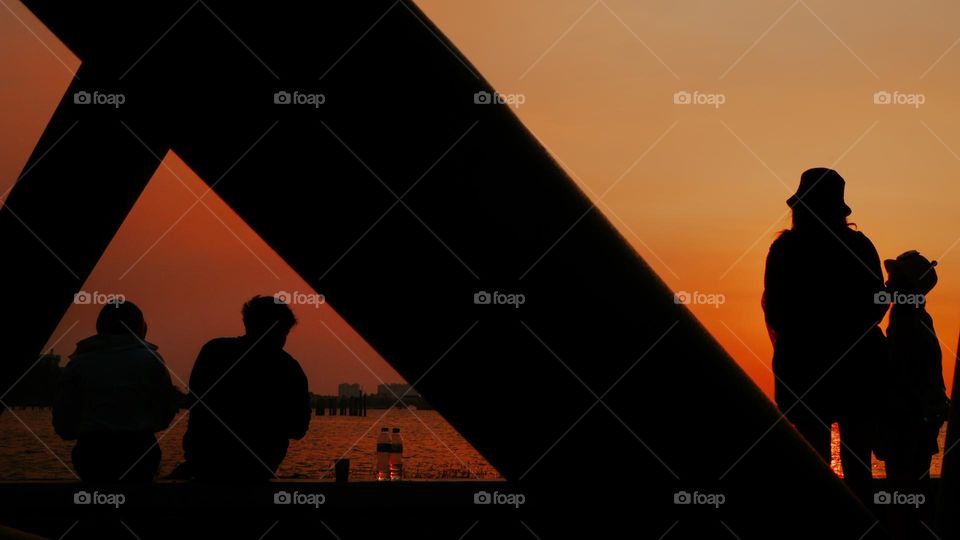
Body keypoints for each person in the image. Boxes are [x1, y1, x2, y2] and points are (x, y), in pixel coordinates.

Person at [762, 168, 888, 503]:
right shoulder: (858, 246)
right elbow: (878, 302)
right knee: (858, 463)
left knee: (811, 463)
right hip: (857, 367)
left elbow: (774, 308)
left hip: (803, 367)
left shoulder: (784, 250)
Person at [180, 295, 310, 481]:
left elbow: (194, 401)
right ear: (280, 331)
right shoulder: (289, 368)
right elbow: (298, 429)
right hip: (258, 468)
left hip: (204, 462)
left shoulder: (214, 351)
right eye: (284, 332)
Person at [53, 299, 178, 481]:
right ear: (140, 328)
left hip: (91, 454)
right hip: (140, 452)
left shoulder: (78, 363)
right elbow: (165, 413)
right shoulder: (151, 361)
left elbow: (63, 421)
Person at [875, 251, 948, 538]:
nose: (889, 285)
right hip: (916, 416)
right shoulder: (917, 318)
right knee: (914, 484)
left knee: (904, 484)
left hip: (907, 418)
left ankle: (908, 533)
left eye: (896, 280)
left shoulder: (908, 323)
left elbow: (904, 373)